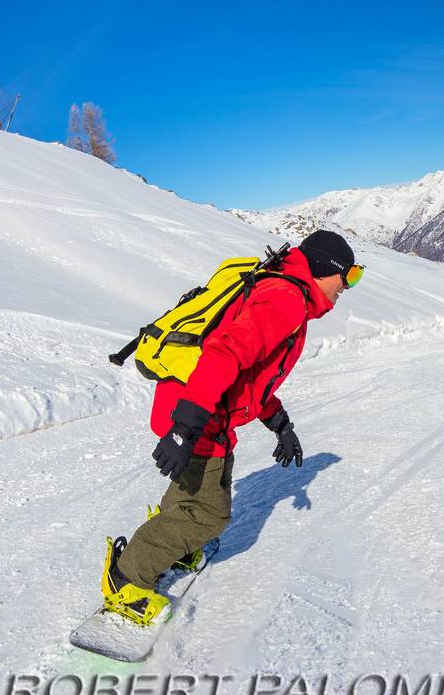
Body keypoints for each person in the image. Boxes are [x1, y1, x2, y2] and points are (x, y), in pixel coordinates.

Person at [100, 230, 361, 623]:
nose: (348, 286)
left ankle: (174, 545)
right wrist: (186, 424)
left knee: (204, 487)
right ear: (326, 269)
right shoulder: (286, 299)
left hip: (204, 406)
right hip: (198, 408)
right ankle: (126, 578)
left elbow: (252, 378)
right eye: (349, 276)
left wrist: (279, 423)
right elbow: (226, 354)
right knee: (209, 513)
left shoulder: (289, 294)